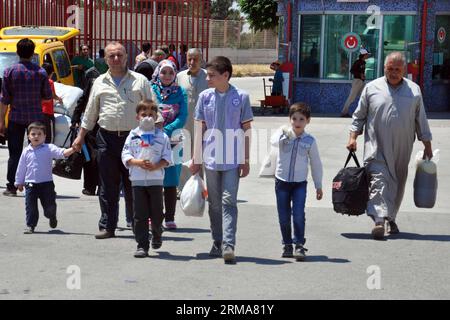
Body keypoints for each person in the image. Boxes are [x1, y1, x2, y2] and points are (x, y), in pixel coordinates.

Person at [347, 51, 433, 240]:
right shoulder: (371, 88)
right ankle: (379, 220)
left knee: (398, 182)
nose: (393, 72)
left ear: (404, 70)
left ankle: (391, 217)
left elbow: (421, 120)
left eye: (397, 69)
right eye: (390, 69)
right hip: (376, 146)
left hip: (402, 148)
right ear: (384, 68)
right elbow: (359, 116)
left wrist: (427, 144)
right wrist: (353, 137)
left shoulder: (414, 90)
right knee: (378, 179)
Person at [72, 42, 153, 239]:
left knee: (134, 185)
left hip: (134, 141)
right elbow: (90, 113)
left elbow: (153, 111)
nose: (116, 59)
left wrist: (154, 139)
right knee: (107, 185)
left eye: (119, 55)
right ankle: (108, 225)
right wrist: (80, 137)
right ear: (105, 59)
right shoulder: (99, 82)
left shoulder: (140, 81)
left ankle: (137, 225)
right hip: (106, 140)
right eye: (111, 56)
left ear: (126, 57)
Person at [190, 56, 253, 264]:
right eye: (207, 75)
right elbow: (200, 128)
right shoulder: (205, 97)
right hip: (210, 159)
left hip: (233, 160)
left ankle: (228, 244)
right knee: (214, 204)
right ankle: (217, 240)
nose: (207, 78)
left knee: (229, 201)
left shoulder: (241, 97)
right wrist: (196, 158)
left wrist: (246, 159)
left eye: (212, 75)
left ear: (225, 75)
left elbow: (246, 130)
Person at [0, 38, 53, 197]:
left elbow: (4, 100)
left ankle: (11, 187)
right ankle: (38, 185)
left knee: (14, 154)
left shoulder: (9, 72)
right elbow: (47, 96)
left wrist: (1, 121)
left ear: (17, 52)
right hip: (35, 119)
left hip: (15, 117)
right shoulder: (41, 72)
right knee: (38, 152)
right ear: (33, 53)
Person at [271, 103, 323, 261]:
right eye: (294, 119)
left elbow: (316, 163)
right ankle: (287, 244)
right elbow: (273, 142)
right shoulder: (283, 135)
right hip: (282, 182)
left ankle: (299, 244)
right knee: (284, 215)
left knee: (298, 214)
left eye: (301, 119)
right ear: (289, 119)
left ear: (308, 121)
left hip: (300, 183)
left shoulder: (310, 141)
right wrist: (283, 134)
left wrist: (318, 185)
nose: (297, 122)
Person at [122, 100, 172, 257]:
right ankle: (142, 245)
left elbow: (167, 158)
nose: (147, 118)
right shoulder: (133, 135)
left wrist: (156, 166)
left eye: (151, 115)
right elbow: (125, 154)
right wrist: (137, 162)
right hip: (137, 181)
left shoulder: (162, 136)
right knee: (140, 214)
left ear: (156, 117)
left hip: (155, 181)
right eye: (144, 115)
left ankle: (157, 233)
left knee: (157, 213)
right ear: (137, 117)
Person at [15, 122, 76, 234]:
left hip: (46, 184)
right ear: (28, 136)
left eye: (39, 134)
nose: (36, 136)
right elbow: (21, 167)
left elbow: (62, 153)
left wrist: (72, 149)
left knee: (49, 207)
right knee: (30, 207)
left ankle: (51, 216)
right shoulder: (26, 151)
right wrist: (19, 182)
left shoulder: (49, 148)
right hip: (30, 185)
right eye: (33, 134)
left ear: (45, 136)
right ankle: (30, 225)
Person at [150, 59, 188, 230]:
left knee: (171, 179)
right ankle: (154, 215)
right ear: (158, 73)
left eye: (170, 73)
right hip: (153, 139)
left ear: (175, 74)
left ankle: (170, 217)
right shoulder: (151, 90)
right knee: (154, 177)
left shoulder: (180, 92)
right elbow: (146, 110)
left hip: (174, 140)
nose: (166, 76)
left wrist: (167, 129)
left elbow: (183, 116)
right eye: (163, 72)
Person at [71, 66, 101, 196]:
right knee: (90, 156)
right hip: (92, 124)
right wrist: (75, 119)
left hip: (106, 125)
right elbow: (83, 100)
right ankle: (92, 186)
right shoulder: (94, 83)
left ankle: (97, 186)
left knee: (99, 157)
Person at [341, 48, 370, 117]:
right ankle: (344, 112)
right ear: (363, 55)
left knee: (364, 96)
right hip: (357, 81)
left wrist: (362, 76)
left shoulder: (363, 62)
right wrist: (360, 74)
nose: (367, 56)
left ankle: (364, 112)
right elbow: (352, 71)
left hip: (362, 82)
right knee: (351, 97)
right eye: (366, 55)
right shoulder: (357, 62)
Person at [41, 62, 62, 144]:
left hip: (37, 112)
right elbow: (52, 95)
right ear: (51, 73)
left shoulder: (36, 80)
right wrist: (59, 99)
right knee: (49, 137)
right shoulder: (49, 82)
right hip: (47, 112)